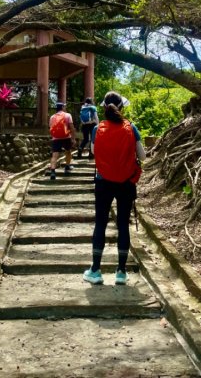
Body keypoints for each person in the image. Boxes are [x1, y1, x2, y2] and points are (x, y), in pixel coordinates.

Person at [83, 91, 146, 286]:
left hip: (103, 182)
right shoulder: (131, 128)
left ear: (104, 107)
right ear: (122, 107)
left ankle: (95, 271)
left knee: (100, 223)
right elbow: (142, 157)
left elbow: (94, 152)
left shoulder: (97, 129)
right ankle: (121, 272)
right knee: (122, 225)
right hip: (126, 183)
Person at [49, 102, 76, 179]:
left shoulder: (52, 117)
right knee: (68, 152)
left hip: (56, 138)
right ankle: (67, 166)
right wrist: (73, 138)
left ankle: (53, 172)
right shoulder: (68, 115)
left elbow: (51, 128)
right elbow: (71, 127)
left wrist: (54, 136)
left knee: (54, 155)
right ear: (63, 107)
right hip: (66, 137)